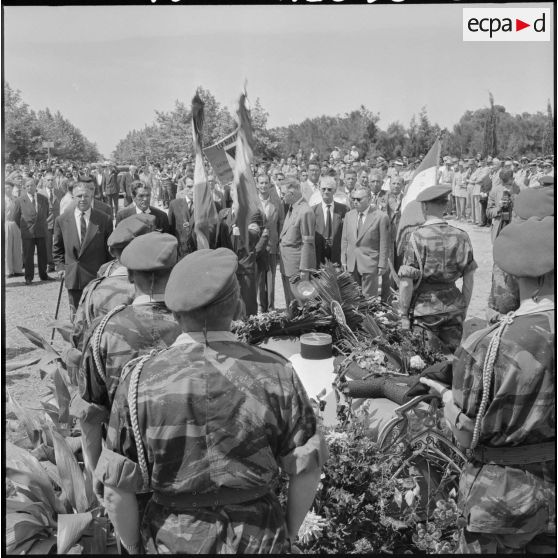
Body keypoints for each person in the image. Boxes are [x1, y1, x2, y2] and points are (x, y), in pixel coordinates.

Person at [95, 248, 327, 554]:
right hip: (259, 538)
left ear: (175, 314)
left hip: (172, 540)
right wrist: (289, 535)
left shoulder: (140, 380)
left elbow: (115, 489)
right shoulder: (276, 371)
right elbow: (307, 467)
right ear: (236, 305)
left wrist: (133, 544)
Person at [420, 187, 555, 553]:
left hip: (501, 506)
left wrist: (446, 395)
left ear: (515, 273)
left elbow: (467, 433)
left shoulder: (488, 344)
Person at [74, 231, 182, 477]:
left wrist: (95, 476)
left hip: (128, 470)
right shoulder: (193, 324)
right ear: (175, 272)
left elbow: (90, 415)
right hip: (188, 466)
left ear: (130, 275)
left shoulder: (104, 332)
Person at [398, 185, 477, 354]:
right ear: (446, 205)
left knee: (427, 363)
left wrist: (403, 314)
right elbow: (469, 279)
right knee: (451, 363)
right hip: (454, 307)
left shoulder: (417, 237)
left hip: (424, 311)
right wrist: (463, 307)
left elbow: (406, 283)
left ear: (424, 206)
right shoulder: (462, 235)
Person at [70, 214, 155, 356]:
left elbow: (79, 337)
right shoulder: (161, 283)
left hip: (110, 363)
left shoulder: (95, 290)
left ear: (113, 251)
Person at [52, 183, 113, 319]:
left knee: (97, 314)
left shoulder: (104, 219)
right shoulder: (62, 220)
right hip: (74, 275)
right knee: (76, 315)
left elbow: (110, 249)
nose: (83, 199)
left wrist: (109, 272)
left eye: (86, 196)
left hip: (97, 276)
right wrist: (61, 267)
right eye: (79, 196)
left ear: (92, 196)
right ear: (73, 197)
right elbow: (57, 248)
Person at [340, 187, 390, 298]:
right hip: (352, 264)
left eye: (359, 199)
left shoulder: (381, 217)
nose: (355, 202)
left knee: (369, 299)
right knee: (353, 298)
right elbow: (344, 240)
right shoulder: (349, 215)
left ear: (369, 199)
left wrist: (382, 264)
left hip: (370, 263)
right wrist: (343, 260)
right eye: (353, 199)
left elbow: (384, 243)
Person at [279, 177, 316, 306]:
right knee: (291, 301)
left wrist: (305, 269)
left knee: (300, 301)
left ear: (292, 193)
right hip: (287, 264)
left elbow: (307, 243)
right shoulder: (292, 207)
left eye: (283, 194)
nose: (281, 196)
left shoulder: (305, 211)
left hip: (296, 266)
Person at [12, 178, 52, 285]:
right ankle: (29, 277)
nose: (30, 187)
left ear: (36, 186)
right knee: (28, 255)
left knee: (43, 254)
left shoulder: (43, 198)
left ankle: (43, 275)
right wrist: (23, 228)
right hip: (27, 232)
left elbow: (46, 213)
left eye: (32, 185)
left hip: (41, 230)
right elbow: (15, 217)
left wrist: (40, 223)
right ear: (25, 188)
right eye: (27, 186)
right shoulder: (20, 200)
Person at [256, 173, 283, 312]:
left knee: (271, 276)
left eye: (266, 183)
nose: (263, 186)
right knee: (260, 277)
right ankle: (261, 306)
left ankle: (271, 307)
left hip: (272, 244)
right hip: (258, 245)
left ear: (270, 185)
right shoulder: (253, 203)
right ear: (257, 184)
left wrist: (279, 241)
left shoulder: (277, 203)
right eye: (261, 183)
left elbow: (281, 222)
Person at [313, 176, 347, 266]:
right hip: (319, 253)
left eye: (329, 189)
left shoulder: (344, 209)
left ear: (334, 191)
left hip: (337, 252)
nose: (326, 192)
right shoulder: (312, 210)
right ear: (319, 190)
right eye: (323, 189)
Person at [168, 178, 195, 260]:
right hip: (181, 254)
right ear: (184, 186)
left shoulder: (207, 206)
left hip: (199, 254)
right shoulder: (174, 204)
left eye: (196, 187)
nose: (193, 190)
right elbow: (170, 230)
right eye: (189, 186)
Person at [4, 181, 24, 277]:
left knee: (17, 246)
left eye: (9, 187)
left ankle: (17, 269)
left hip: (15, 223)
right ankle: (8, 270)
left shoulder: (15, 199)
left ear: (12, 188)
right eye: (5, 187)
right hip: (5, 223)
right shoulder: (2, 199)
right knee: (7, 247)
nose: (7, 189)